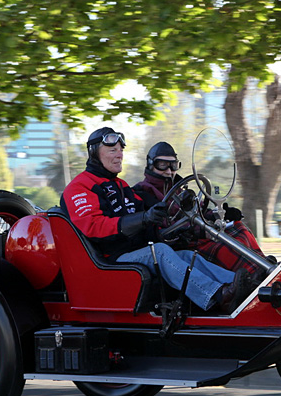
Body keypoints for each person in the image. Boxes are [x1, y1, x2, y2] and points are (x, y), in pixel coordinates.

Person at [62, 127, 249, 313]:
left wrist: (165, 230)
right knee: (158, 252)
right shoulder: (80, 187)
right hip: (110, 258)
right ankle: (218, 295)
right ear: (94, 153)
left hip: (134, 250)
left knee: (185, 255)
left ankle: (244, 286)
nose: (119, 155)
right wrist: (144, 218)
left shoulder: (122, 186)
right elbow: (94, 227)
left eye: (121, 150)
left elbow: (148, 225)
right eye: (113, 150)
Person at [133, 141, 270, 280]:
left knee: (238, 228)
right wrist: (197, 230)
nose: (169, 171)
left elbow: (198, 212)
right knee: (222, 247)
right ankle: (253, 278)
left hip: (197, 234)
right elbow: (160, 228)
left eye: (173, 165)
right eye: (162, 165)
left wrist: (220, 214)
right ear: (151, 165)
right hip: (179, 244)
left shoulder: (180, 190)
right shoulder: (141, 193)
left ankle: (263, 265)